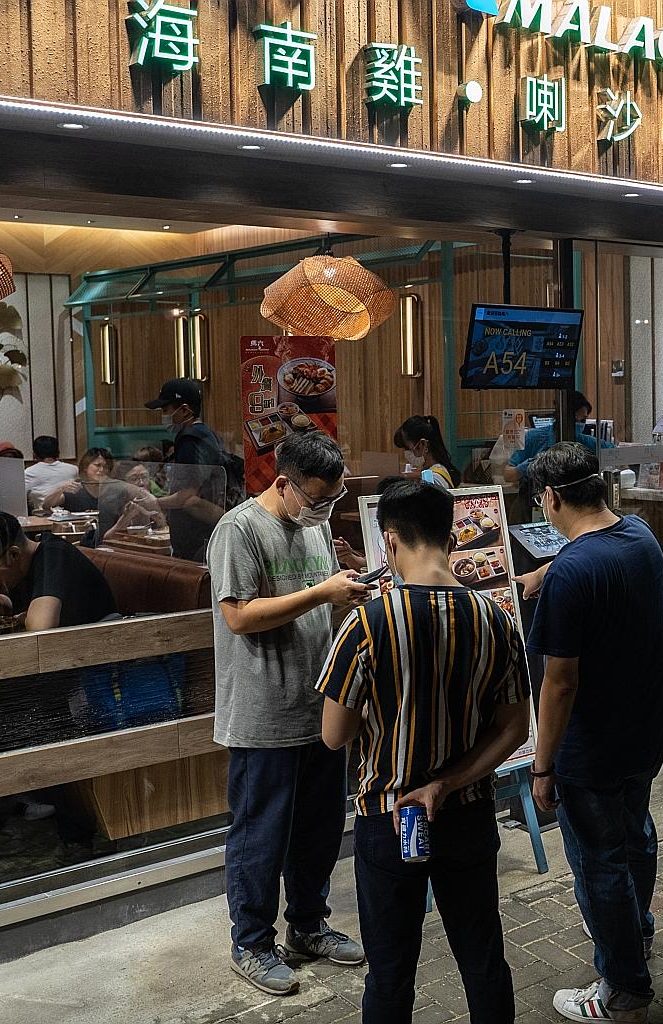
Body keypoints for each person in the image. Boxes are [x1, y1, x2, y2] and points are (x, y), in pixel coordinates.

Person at [316, 480, 528, 1024]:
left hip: (388, 818)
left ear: (389, 541)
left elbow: (334, 735)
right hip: (467, 814)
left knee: (390, 973)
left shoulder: (366, 623)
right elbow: (512, 729)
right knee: (483, 958)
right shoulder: (495, 618)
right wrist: (448, 782)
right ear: (452, 536)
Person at [209, 430, 369, 996]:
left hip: (319, 708)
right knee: (260, 835)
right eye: (321, 500)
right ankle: (251, 943)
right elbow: (240, 616)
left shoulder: (316, 524)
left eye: (335, 499)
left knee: (319, 830)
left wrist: (347, 589)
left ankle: (307, 925)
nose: (328, 511)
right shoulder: (239, 529)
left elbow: (321, 596)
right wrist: (323, 594)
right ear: (284, 484)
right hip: (262, 713)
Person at [521, 442, 663, 1024]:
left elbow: (558, 683)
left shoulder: (575, 572)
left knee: (600, 864)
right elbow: (589, 562)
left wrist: (542, 764)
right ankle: (638, 934)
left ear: (552, 498)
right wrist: (542, 573)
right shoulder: (640, 537)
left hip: (592, 747)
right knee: (636, 839)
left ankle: (622, 990)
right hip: (643, 733)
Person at [0, 512, 116, 631]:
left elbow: (40, 628)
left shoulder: (54, 555)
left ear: (13, 554)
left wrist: (23, 617)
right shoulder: (24, 565)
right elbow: (17, 609)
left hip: (97, 656)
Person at [147, 378, 228, 561]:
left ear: (184, 410)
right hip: (205, 534)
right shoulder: (205, 434)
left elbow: (187, 496)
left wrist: (152, 502)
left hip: (196, 536)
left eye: (165, 410)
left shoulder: (190, 439)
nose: (163, 415)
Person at [504, 391, 607, 486]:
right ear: (560, 416)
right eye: (574, 420)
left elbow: (615, 452)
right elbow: (508, 475)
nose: (579, 424)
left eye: (583, 420)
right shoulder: (534, 438)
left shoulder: (586, 442)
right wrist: (529, 466)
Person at [394, 414, 462, 490]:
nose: (406, 453)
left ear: (423, 444)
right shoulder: (427, 473)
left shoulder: (435, 480)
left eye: (407, 448)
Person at [40, 448, 115, 514]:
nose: (101, 470)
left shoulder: (113, 490)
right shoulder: (76, 488)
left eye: (105, 467)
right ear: (85, 467)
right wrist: (61, 489)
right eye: (97, 465)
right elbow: (46, 505)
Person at [24, 436, 79, 509]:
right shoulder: (73, 469)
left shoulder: (29, 472)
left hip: (42, 515)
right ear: (58, 452)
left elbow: (20, 498)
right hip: (70, 512)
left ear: (34, 453)